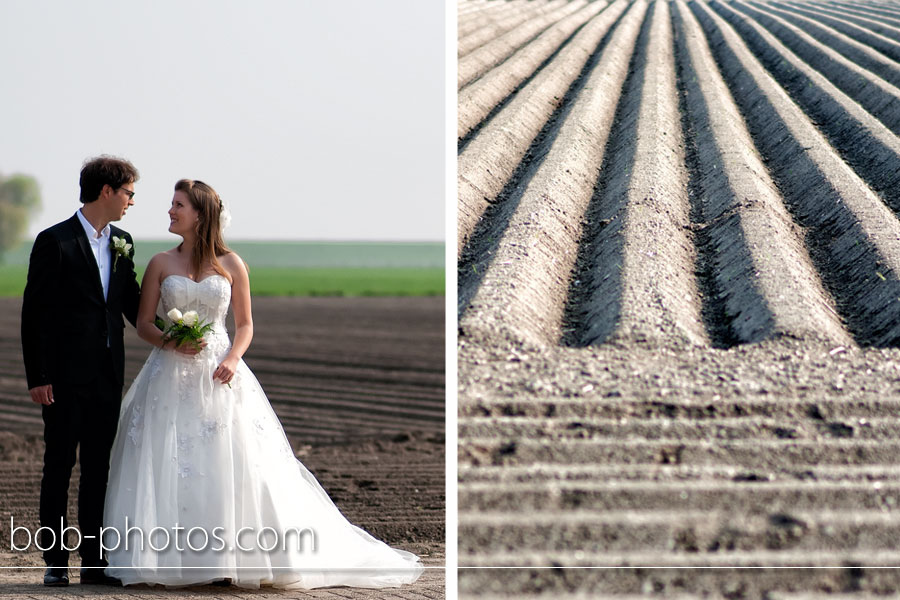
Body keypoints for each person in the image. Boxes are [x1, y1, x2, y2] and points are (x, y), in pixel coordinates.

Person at [102, 179, 424, 588]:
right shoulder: (160, 264)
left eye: (177, 205)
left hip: (221, 369)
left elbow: (247, 325)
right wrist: (171, 340)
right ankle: (176, 558)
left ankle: (231, 558)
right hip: (170, 372)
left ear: (200, 214)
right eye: (172, 204)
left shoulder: (232, 264)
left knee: (229, 458)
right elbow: (144, 323)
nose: (170, 211)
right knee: (168, 459)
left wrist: (233, 358)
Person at [21, 156, 141, 586]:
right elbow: (34, 315)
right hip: (62, 379)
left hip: (109, 376)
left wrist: (179, 328)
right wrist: (38, 376)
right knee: (58, 466)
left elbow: (132, 305)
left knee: (98, 470)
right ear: (106, 191)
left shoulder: (124, 242)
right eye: (128, 192)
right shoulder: (53, 241)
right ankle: (55, 562)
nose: (132, 200)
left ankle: (94, 563)